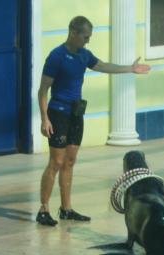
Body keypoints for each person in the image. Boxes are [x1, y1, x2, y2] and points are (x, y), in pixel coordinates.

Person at [36, 15, 150, 226]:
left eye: (89, 37)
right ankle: (43, 209)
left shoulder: (84, 55)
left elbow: (103, 66)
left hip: (76, 113)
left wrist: (129, 69)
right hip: (58, 113)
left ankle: (66, 209)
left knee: (70, 161)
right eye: (85, 37)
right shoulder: (57, 56)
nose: (88, 41)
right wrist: (45, 119)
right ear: (73, 33)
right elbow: (43, 90)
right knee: (56, 162)